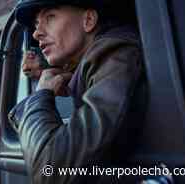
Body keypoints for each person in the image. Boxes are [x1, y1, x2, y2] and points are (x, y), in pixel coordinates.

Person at [9, 0, 146, 183]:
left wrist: (40, 95)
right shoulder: (98, 60)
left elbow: (51, 169)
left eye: (50, 17)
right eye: (36, 24)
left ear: (88, 20)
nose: (36, 33)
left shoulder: (114, 51)